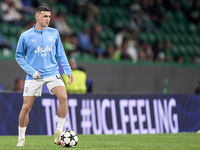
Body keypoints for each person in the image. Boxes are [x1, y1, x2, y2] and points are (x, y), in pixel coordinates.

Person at [15, 6, 74, 147]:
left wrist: (68, 70)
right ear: (37, 17)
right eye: (45, 16)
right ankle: (21, 138)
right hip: (34, 75)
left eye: (49, 16)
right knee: (26, 107)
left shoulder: (54, 33)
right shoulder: (26, 36)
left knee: (64, 97)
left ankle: (58, 133)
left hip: (53, 72)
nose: (48, 19)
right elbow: (18, 56)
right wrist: (31, 71)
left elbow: (60, 53)